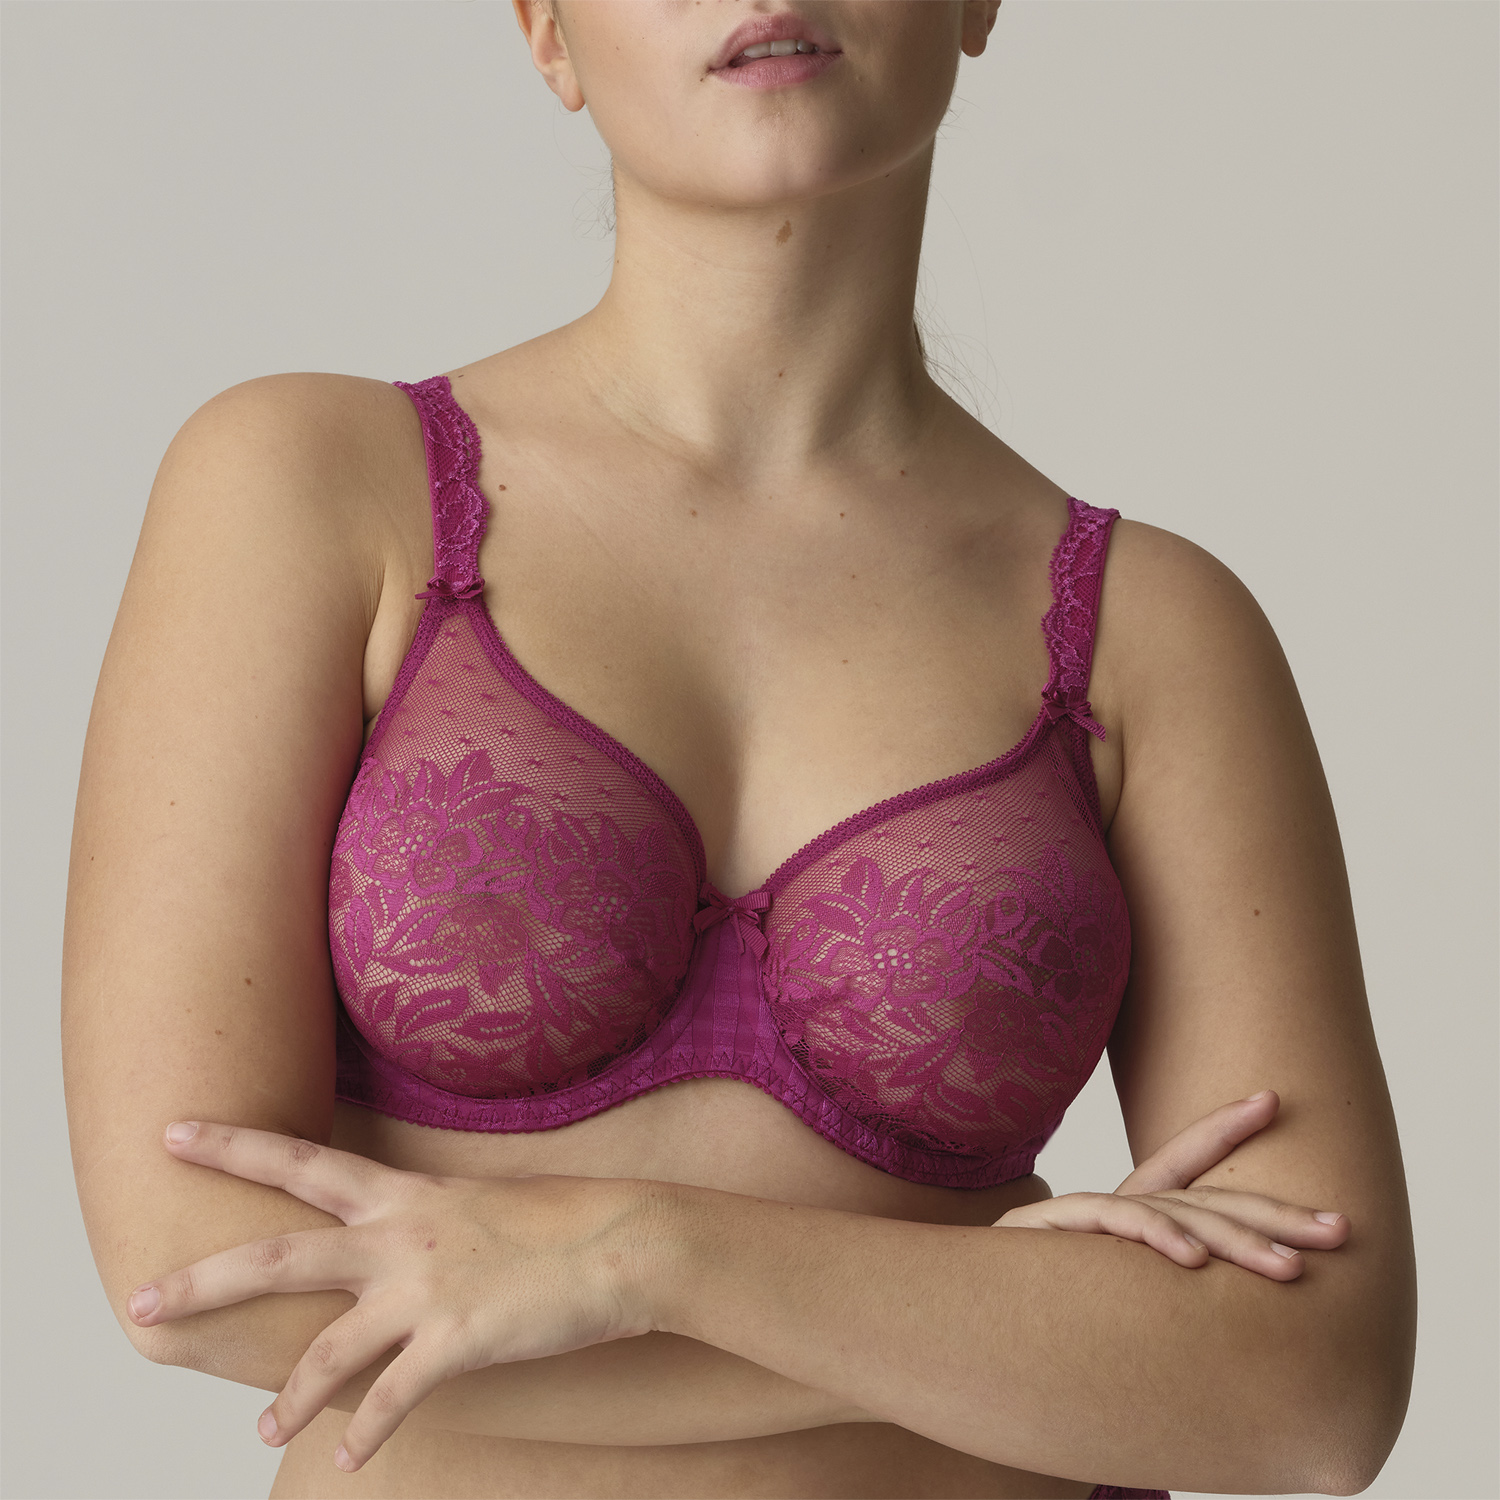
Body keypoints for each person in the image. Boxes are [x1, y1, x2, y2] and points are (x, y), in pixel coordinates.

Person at [62, 3, 1417, 1497]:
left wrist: (647, 1255)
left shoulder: (1153, 633)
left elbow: (1312, 1390)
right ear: (548, 34)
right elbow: (196, 1267)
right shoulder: (317, 489)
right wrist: (1002, 1313)